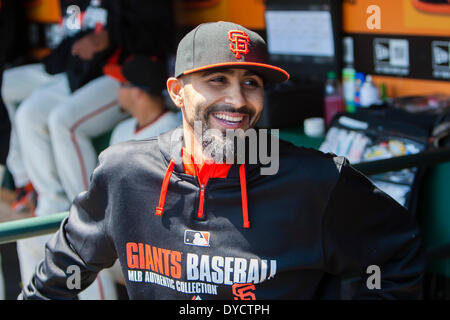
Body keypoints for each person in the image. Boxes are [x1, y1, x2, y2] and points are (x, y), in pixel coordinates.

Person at [20, 21, 425, 300]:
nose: (237, 99)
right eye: (218, 80)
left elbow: (398, 251)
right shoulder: (123, 173)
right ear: (177, 91)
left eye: (251, 83)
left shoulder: (314, 179)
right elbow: (60, 275)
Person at [105, 55, 181, 146]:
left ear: (138, 92)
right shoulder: (121, 128)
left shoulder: (170, 131)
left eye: (122, 84)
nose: (118, 90)